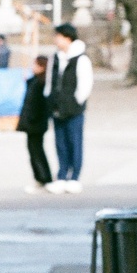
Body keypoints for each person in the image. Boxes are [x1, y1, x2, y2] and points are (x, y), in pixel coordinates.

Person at [43, 22, 93, 193]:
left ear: (67, 38)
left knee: (74, 141)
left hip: (73, 108)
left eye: (59, 37)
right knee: (60, 142)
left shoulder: (81, 58)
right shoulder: (55, 58)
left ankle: (75, 176)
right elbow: (50, 81)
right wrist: (49, 98)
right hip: (56, 106)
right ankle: (62, 174)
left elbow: (85, 84)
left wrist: (76, 101)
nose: (56, 40)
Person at [17, 55, 52, 191]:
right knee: (33, 151)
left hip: (36, 122)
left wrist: (33, 118)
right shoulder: (35, 81)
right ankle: (39, 177)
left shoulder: (43, 83)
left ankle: (44, 176)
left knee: (37, 151)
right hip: (32, 122)